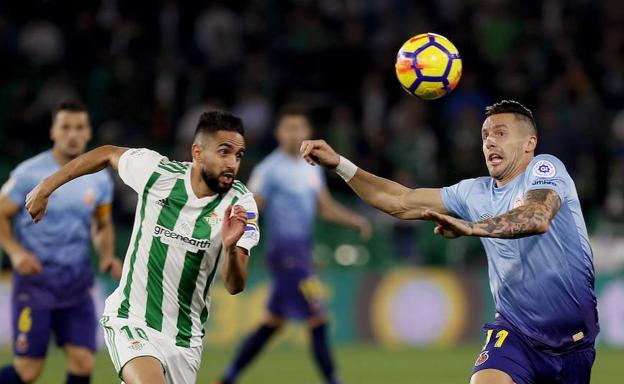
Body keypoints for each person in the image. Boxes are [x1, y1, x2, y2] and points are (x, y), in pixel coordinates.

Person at [300, 100, 599, 384]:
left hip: (573, 341)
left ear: (529, 143)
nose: (489, 142)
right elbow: (399, 200)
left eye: (500, 133)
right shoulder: (473, 193)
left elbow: (536, 216)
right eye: (485, 135)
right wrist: (340, 164)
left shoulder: (545, 168)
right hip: (515, 331)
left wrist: (470, 227)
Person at [24, 110, 260, 384]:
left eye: (239, 155)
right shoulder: (158, 174)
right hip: (131, 320)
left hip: (185, 340)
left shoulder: (241, 205)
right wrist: (46, 187)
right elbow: (106, 153)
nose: (232, 163)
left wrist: (231, 249)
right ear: (197, 153)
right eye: (224, 152)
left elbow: (235, 285)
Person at [215, 107, 371, 384]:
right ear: (278, 134)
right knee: (318, 318)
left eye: (299, 128)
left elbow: (324, 208)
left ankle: (227, 378)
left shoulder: (311, 168)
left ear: (308, 133)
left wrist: (354, 220)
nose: (294, 133)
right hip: (285, 256)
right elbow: (252, 208)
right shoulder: (269, 170)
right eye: (289, 128)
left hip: (301, 254)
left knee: (272, 323)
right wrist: (234, 237)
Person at [0, 100, 122, 384]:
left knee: (83, 362)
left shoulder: (100, 180)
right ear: (53, 131)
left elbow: (102, 223)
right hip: (36, 283)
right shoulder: (28, 173)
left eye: (79, 127)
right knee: (28, 372)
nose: (72, 134)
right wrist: (16, 253)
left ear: (89, 133)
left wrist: (106, 255)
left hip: (77, 284)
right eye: (65, 127)